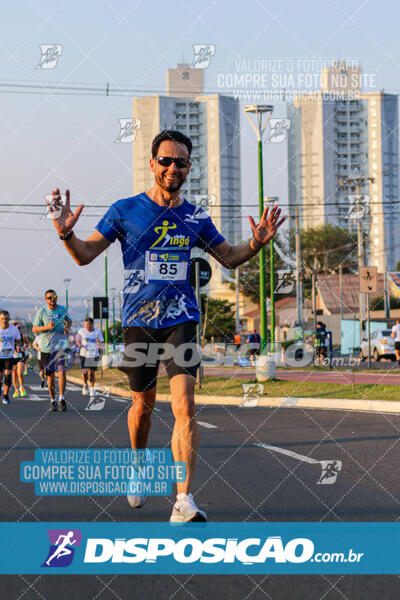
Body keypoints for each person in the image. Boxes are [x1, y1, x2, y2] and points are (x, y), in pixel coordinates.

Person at [47, 129, 285, 521]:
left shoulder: (195, 216)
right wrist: (65, 231)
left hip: (182, 318)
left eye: (181, 162)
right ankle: (138, 465)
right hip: (139, 320)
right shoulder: (125, 210)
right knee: (143, 405)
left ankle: (183, 500)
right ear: (152, 163)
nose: (173, 167)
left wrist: (256, 244)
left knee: (184, 406)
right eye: (166, 160)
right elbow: (84, 256)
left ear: (189, 167)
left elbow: (227, 257)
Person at [32, 290, 72, 412]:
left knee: (62, 373)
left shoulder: (62, 309)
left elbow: (69, 321)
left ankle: (61, 398)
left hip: (60, 347)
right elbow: (34, 328)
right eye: (49, 298)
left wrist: (67, 328)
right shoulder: (42, 311)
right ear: (46, 300)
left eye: (54, 297)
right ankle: (52, 400)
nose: (52, 299)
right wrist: (47, 327)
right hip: (46, 349)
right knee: (50, 377)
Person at [76, 317, 104, 396]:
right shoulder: (81, 331)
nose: (87, 326)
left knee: (91, 372)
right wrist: (79, 344)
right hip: (84, 354)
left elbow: (102, 341)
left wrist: (99, 345)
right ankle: (85, 385)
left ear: (92, 324)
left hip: (93, 354)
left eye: (88, 324)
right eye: (85, 325)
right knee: (84, 372)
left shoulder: (97, 332)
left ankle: (92, 389)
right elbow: (77, 339)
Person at [0, 311, 22, 404]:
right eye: (2, 319)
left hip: (9, 356)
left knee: (8, 375)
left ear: (9, 319)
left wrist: (18, 346)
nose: (4, 320)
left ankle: (5, 395)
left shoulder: (14, 329)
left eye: (6, 318)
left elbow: (18, 341)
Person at [11, 321, 27, 398]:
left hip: (20, 356)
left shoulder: (22, 336)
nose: (19, 329)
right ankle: (16, 389)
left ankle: (21, 387)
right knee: (14, 374)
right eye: (17, 328)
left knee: (19, 373)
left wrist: (25, 347)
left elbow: (27, 344)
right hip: (12, 357)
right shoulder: (10, 336)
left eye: (19, 328)